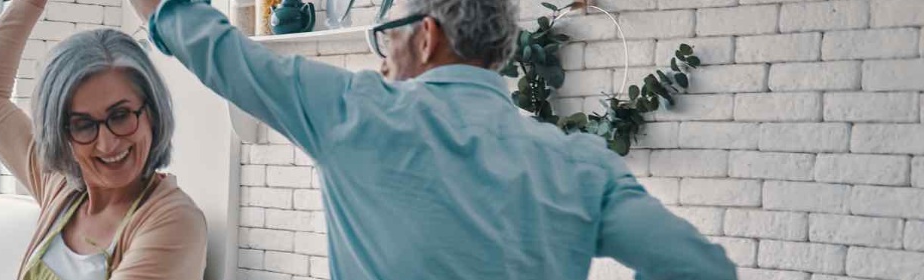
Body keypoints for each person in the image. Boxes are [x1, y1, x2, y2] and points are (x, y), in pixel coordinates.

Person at [125, 0, 737, 278]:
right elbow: (700, 270)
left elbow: (220, 49)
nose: (383, 56)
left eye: (385, 35)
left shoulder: (354, 111)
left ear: (424, 38)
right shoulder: (581, 163)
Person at [0, 0, 207, 279]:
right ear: (61, 133)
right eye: (83, 125)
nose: (107, 144)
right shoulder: (60, 187)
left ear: (152, 112)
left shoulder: (173, 222)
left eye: (121, 115)